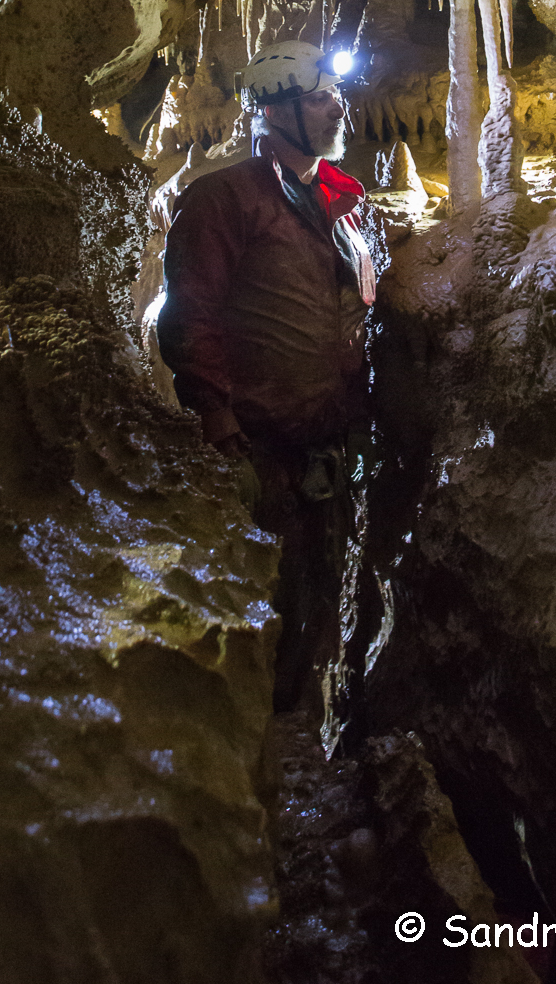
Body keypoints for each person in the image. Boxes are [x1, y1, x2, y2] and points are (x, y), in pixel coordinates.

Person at [157, 40, 377, 716]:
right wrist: (220, 428)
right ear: (277, 109)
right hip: (257, 451)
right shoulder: (225, 200)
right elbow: (191, 318)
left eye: (336, 96)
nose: (338, 108)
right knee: (258, 612)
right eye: (320, 98)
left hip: (327, 447)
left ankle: (299, 739)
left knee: (318, 607)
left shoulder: (342, 203)